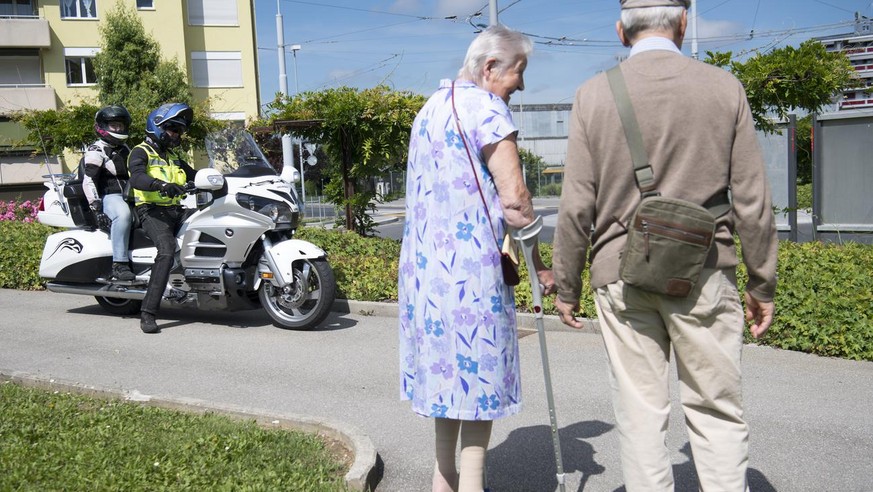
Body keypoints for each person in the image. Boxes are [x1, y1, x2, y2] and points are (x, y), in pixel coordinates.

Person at [551, 1, 778, 490]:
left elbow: (574, 207)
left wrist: (566, 286)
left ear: (620, 32)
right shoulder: (724, 89)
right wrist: (763, 283)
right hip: (706, 271)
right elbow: (754, 201)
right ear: (682, 24)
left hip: (621, 274)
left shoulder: (592, 96)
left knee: (640, 415)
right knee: (715, 409)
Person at [398, 24, 555, 492]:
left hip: (424, 274)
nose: (521, 84)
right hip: (470, 274)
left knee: (448, 379)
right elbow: (516, 202)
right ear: (490, 68)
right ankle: (471, 485)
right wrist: (539, 264)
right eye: (518, 72)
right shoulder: (488, 110)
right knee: (478, 378)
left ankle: (443, 481)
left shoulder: (428, 109)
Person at [128, 103, 196, 334]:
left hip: (177, 210)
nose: (176, 134)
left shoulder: (174, 156)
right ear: (156, 127)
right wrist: (160, 185)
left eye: (179, 130)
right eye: (172, 129)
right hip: (151, 211)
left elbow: (195, 175)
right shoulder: (140, 152)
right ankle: (148, 313)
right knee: (166, 251)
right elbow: (137, 177)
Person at [82, 105, 135, 281]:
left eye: (120, 125)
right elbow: (88, 180)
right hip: (111, 196)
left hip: (132, 194)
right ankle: (119, 264)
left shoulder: (126, 148)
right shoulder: (96, 150)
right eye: (114, 126)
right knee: (123, 215)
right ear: (102, 126)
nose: (118, 129)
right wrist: (95, 207)